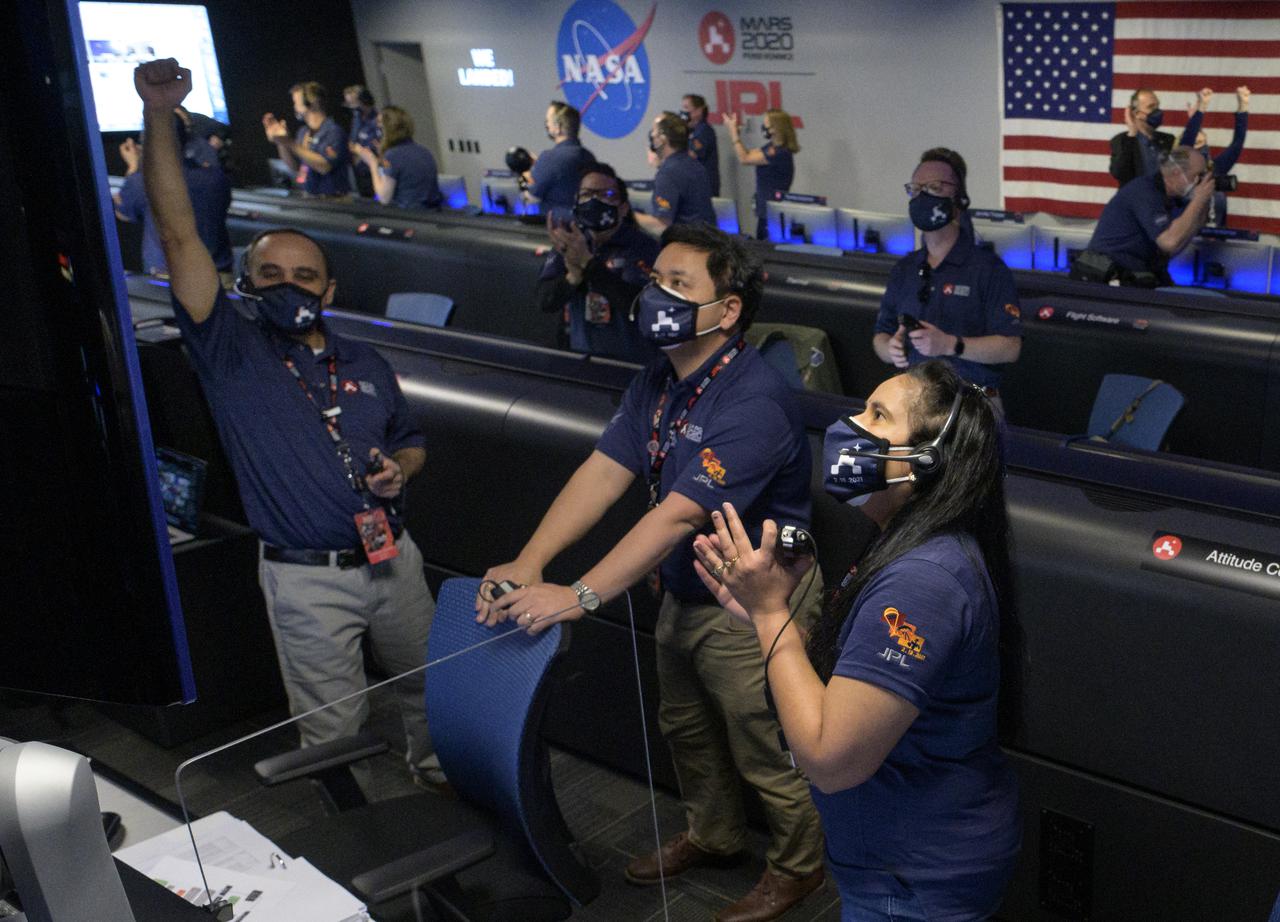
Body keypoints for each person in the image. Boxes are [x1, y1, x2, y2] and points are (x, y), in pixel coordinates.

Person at [478, 224, 826, 922]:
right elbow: (603, 473)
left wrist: (578, 594)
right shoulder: (661, 380)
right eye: (655, 278)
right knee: (687, 727)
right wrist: (532, 558)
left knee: (764, 745)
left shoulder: (754, 400)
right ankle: (716, 835)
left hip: (754, 597)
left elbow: (674, 516)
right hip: (689, 582)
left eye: (678, 284)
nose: (654, 295)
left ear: (727, 311)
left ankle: (800, 869)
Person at [134, 58, 440, 786]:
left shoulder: (363, 358)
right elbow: (178, 236)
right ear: (245, 281)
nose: (290, 286)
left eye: (306, 277)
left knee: (432, 694)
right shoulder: (230, 347)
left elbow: (412, 441)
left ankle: (438, 781)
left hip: (396, 561)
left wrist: (403, 470)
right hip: (307, 581)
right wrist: (157, 115)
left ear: (329, 289)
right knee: (334, 731)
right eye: (272, 275)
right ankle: (360, 849)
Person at [691, 360, 1022, 922]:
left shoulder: (923, 580)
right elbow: (851, 690)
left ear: (923, 462)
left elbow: (830, 759)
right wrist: (762, 614)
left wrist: (772, 613)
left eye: (877, 415)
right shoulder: (909, 543)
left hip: (915, 876)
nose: (851, 424)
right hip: (905, 860)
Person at [872, 148, 1022, 401]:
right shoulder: (905, 268)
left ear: (958, 198)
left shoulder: (988, 269)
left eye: (934, 187)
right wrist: (890, 349)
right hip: (914, 400)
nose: (923, 197)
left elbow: (1010, 348)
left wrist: (951, 344)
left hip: (971, 403)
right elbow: (881, 335)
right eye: (916, 189)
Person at [535, 162, 660, 362]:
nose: (594, 201)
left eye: (606, 195)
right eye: (586, 194)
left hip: (632, 365)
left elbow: (642, 308)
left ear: (623, 208)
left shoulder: (643, 247)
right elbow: (545, 301)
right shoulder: (570, 243)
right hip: (582, 360)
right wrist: (572, 277)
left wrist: (589, 266)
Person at [115, 115, 232, 284]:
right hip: (219, 277)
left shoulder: (143, 181)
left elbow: (124, 213)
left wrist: (134, 166)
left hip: (168, 280)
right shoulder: (216, 178)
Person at [1079, 145, 1215, 287]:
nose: (1201, 181)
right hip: (1107, 277)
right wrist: (1198, 199)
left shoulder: (1172, 199)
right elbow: (1169, 242)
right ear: (1176, 173)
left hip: (1136, 274)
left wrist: (1202, 203)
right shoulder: (1145, 192)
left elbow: (1174, 246)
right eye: (1198, 176)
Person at [263, 81, 351, 198]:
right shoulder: (303, 132)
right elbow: (295, 167)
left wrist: (289, 142)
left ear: (313, 102)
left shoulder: (334, 131)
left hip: (333, 201)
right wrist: (281, 142)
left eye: (296, 103)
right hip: (310, 198)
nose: (294, 107)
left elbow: (324, 166)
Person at [635, 112, 717, 235]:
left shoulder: (668, 173)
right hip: (706, 242)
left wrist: (628, 215)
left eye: (654, 132)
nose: (652, 135)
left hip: (686, 247)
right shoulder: (694, 165)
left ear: (662, 139)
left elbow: (661, 226)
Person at [723, 109, 798, 240]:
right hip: (765, 209)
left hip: (773, 213)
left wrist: (733, 135)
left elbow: (744, 159)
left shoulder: (780, 153)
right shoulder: (771, 147)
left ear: (775, 128)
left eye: (766, 125)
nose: (763, 128)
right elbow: (749, 154)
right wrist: (737, 136)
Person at [1181, 86, 1251, 227]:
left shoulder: (1215, 168)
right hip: (1186, 242)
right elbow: (1187, 141)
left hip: (1215, 240)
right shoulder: (1181, 172)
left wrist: (1243, 106)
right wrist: (1201, 108)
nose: (1198, 149)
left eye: (1201, 143)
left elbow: (1237, 144)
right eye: (1194, 144)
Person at [353, 106, 443, 210]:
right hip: (431, 214)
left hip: (409, 216)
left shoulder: (392, 156)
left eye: (380, 126)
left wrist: (372, 163)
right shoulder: (424, 151)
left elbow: (383, 198)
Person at [526, 101, 596, 220]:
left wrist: (528, 172)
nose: (546, 125)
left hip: (556, 229)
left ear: (557, 128)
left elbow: (530, 198)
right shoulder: (589, 156)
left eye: (548, 121)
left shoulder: (549, 158)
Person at [1110, 89, 1176, 186]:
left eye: (1157, 106)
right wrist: (1132, 132)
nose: (1157, 111)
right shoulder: (1121, 140)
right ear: (1137, 113)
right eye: (1151, 107)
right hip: (1136, 199)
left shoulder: (1169, 140)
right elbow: (1119, 173)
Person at [344, 84, 380, 198]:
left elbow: (375, 147)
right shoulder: (357, 119)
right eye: (349, 103)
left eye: (353, 103)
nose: (352, 107)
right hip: (359, 172)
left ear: (365, 100)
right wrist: (356, 149)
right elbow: (352, 143)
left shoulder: (378, 121)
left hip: (375, 171)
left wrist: (358, 150)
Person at [682, 93, 720, 196]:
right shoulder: (691, 131)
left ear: (698, 111)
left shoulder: (704, 131)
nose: (683, 112)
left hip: (704, 188)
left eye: (686, 108)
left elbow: (692, 155)